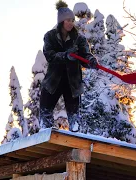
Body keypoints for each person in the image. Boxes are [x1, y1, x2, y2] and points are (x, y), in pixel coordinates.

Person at [40, 1, 98, 132]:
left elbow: (85, 55)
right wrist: (65, 56)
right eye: (68, 20)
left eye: (72, 20)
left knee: (74, 118)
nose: (71, 23)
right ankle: (45, 133)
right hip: (53, 81)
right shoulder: (50, 36)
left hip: (72, 83)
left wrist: (91, 61)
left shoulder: (79, 39)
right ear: (61, 21)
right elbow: (50, 56)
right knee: (45, 112)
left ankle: (75, 136)